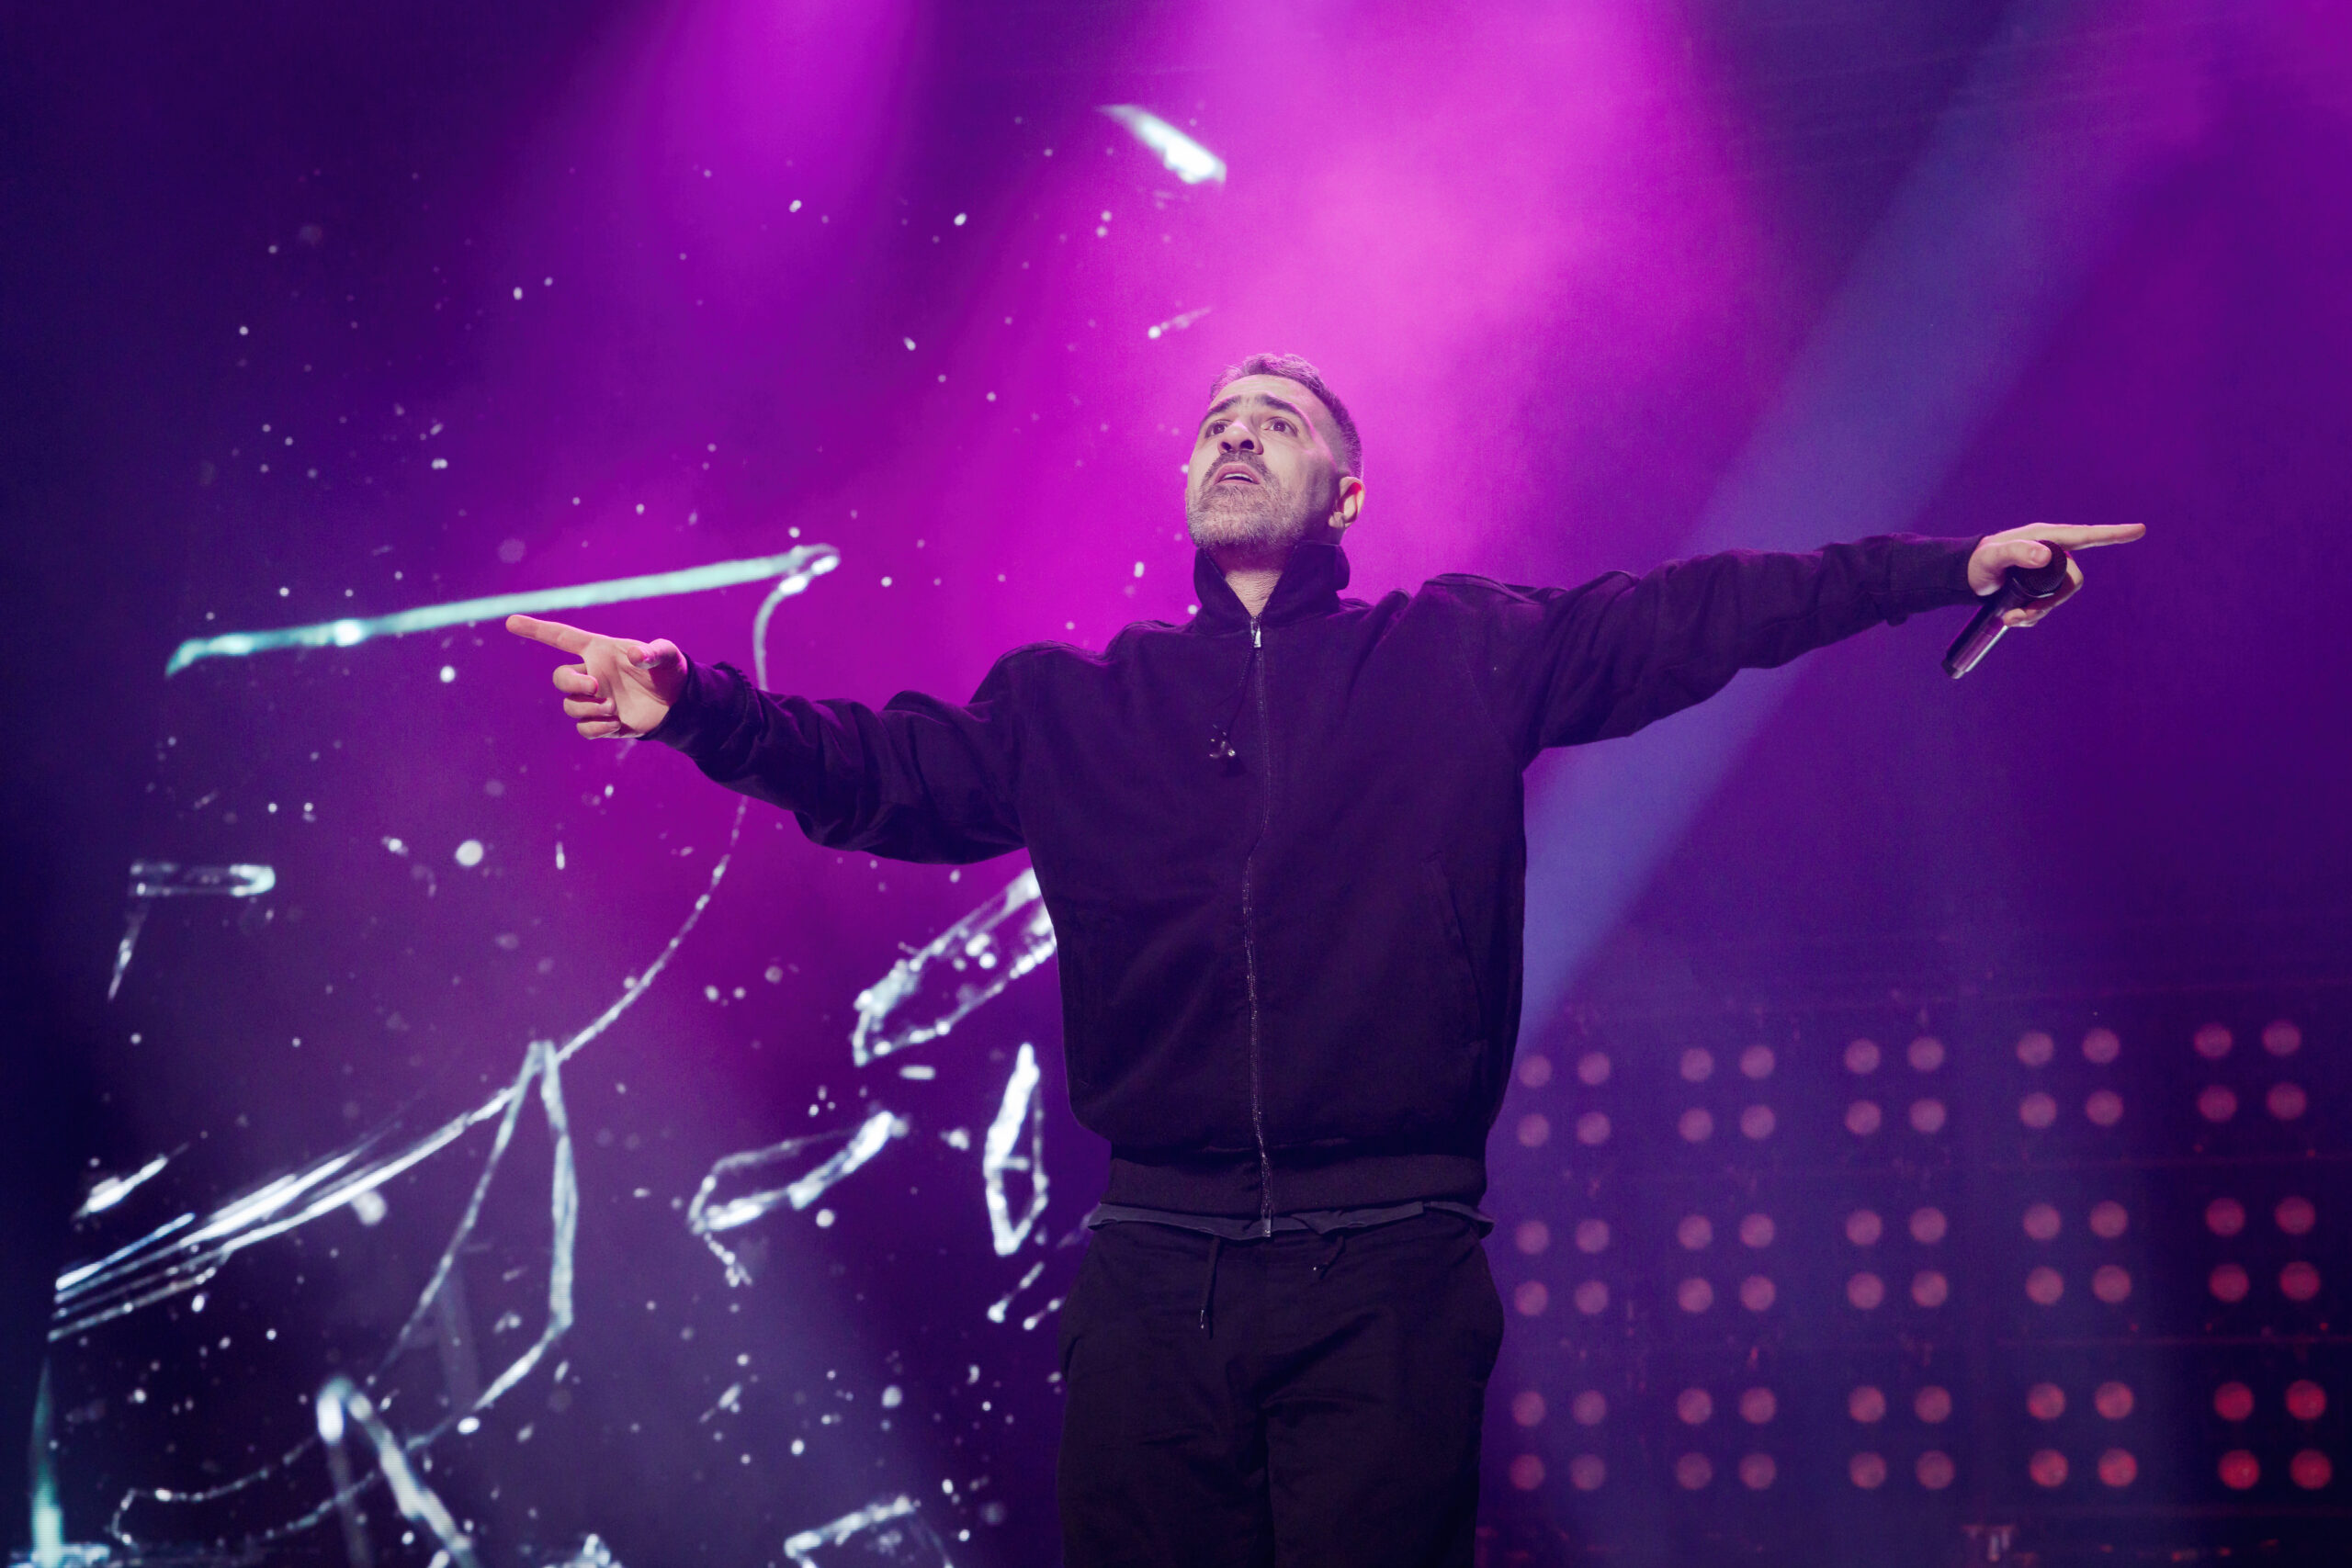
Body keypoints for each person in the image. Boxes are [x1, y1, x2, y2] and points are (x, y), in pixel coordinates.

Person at [509, 352, 2143, 1567]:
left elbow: (1699, 611)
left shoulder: (1458, 654)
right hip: (1157, 1272)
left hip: (1390, 1269)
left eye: (1277, 420)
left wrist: (1948, 569)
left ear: (1348, 497)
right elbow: (880, 770)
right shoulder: (1085, 703)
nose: (1234, 433)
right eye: (1216, 420)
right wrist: (696, 710)